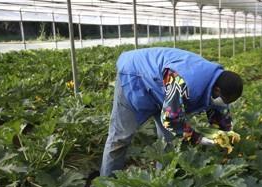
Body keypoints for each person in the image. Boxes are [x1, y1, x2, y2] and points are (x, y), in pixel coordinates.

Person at [100, 47, 243, 177]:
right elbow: (171, 119)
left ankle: (163, 180)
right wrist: (197, 138)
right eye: (224, 99)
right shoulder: (184, 81)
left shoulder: (219, 81)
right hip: (134, 74)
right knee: (120, 137)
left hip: (160, 85)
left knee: (168, 140)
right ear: (217, 90)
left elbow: (220, 109)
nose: (224, 103)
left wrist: (226, 134)